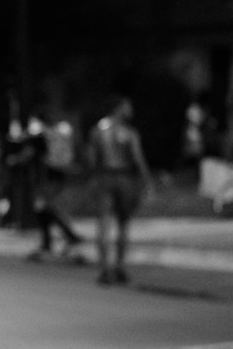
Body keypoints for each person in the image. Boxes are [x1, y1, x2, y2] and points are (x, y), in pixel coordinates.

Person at [86, 96, 152, 285]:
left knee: (103, 223)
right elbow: (138, 159)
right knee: (123, 224)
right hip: (124, 178)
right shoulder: (129, 132)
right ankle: (120, 267)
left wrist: (93, 178)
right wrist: (146, 180)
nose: (130, 110)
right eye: (127, 107)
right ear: (118, 108)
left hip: (104, 177)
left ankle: (105, 269)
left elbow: (92, 158)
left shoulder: (98, 130)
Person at [26, 113, 85, 261]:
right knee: (46, 208)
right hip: (59, 175)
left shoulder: (41, 136)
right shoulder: (59, 133)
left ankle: (69, 237)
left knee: (44, 207)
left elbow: (30, 153)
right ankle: (51, 242)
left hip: (47, 176)